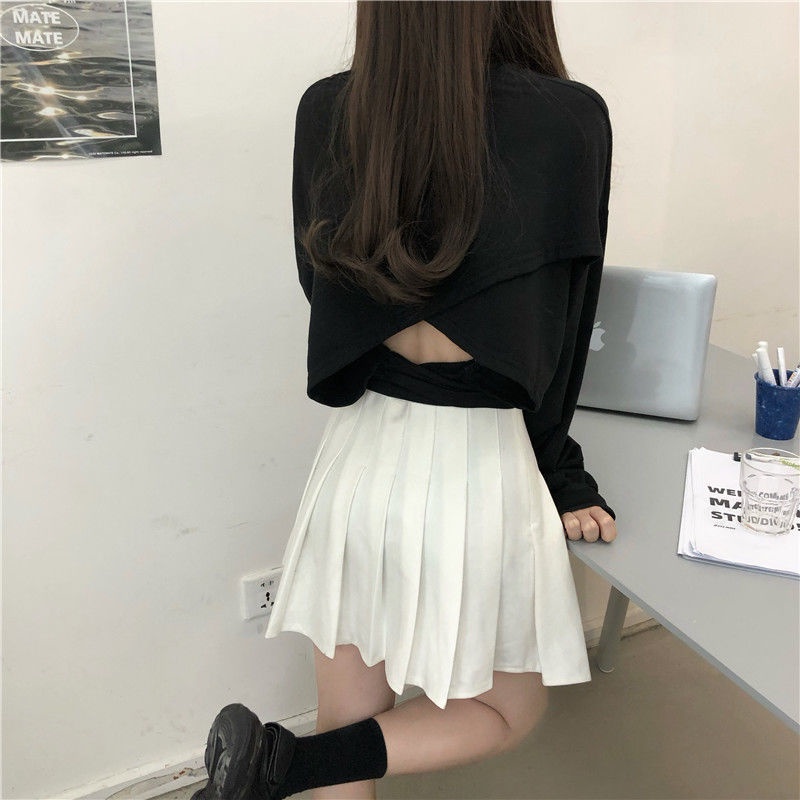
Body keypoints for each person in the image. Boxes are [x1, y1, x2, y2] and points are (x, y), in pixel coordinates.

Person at [192, 2, 619, 799]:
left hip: (359, 458)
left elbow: (322, 287)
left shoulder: (328, 108)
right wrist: (563, 475)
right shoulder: (569, 120)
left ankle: (280, 768)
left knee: (348, 719)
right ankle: (284, 765)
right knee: (507, 710)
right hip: (480, 470)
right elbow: (563, 334)